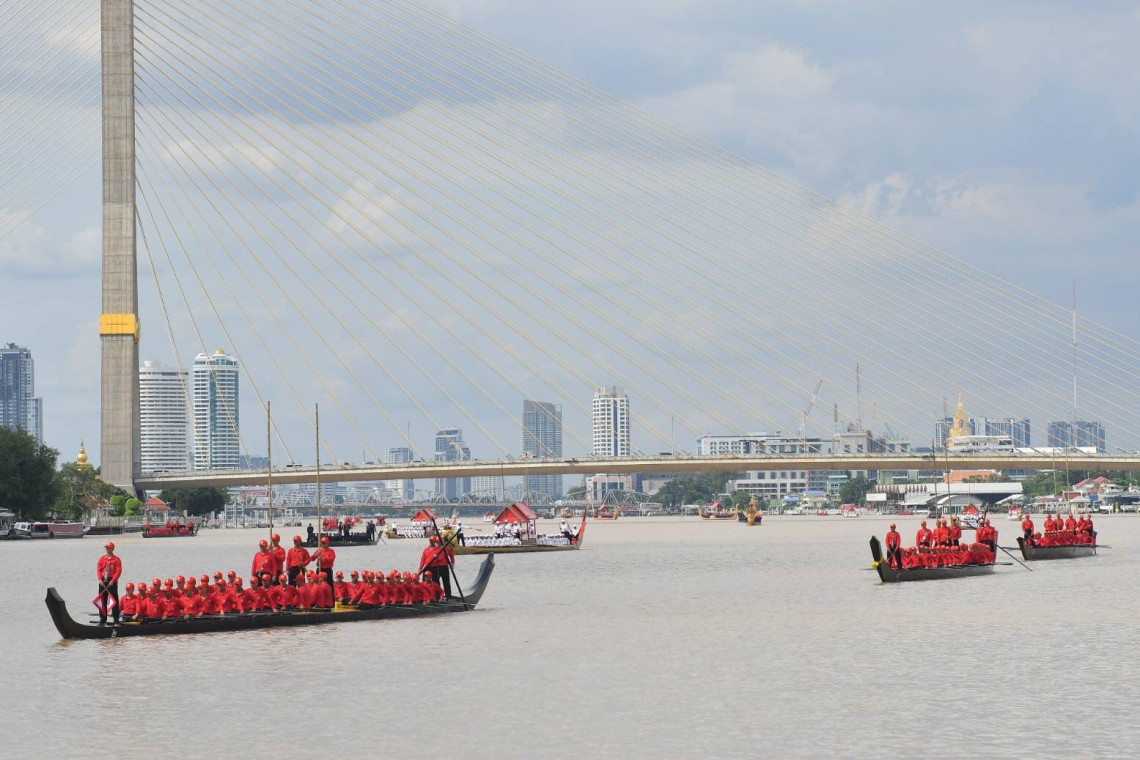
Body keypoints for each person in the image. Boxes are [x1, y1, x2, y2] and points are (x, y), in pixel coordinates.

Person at [96, 542, 123, 625]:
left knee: (114, 600)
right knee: (102, 600)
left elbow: (118, 571)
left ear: (112, 549)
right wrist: (100, 579)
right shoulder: (102, 558)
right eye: (106, 548)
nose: (107, 549)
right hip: (103, 581)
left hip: (112, 581)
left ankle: (116, 620)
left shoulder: (117, 559)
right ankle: (102, 619)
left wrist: (113, 580)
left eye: (108, 548)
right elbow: (98, 569)